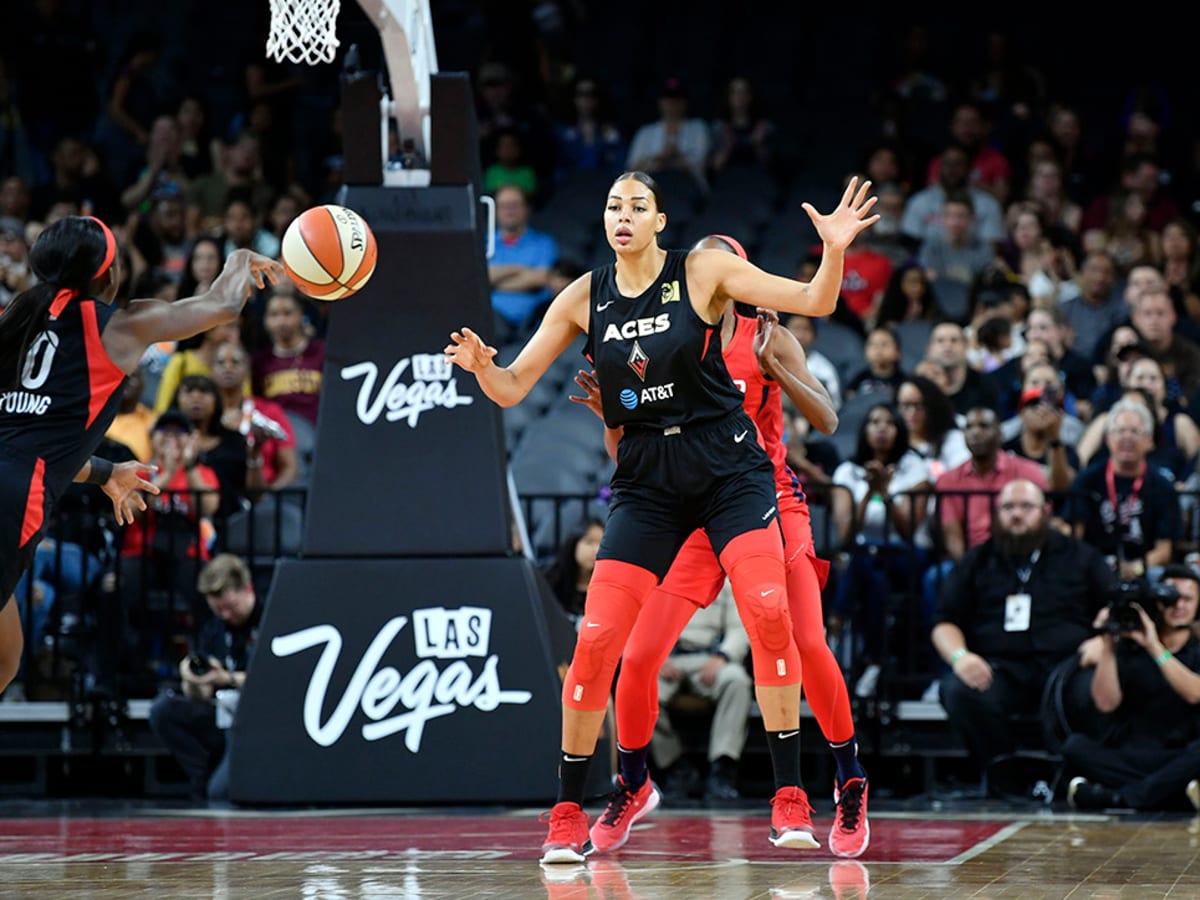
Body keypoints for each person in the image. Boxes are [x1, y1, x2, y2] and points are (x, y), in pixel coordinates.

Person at [445, 172, 878, 863]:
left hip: (744, 483)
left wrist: (831, 251)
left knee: (787, 627)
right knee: (614, 648)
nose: (621, 214)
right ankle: (604, 795)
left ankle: (821, 785)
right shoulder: (592, 297)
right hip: (658, 488)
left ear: (660, 222)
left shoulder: (735, 306)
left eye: (636, 205)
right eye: (612, 204)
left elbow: (817, 332)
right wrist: (483, 368)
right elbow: (516, 388)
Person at [572, 234, 871, 859]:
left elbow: (828, 420)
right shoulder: (665, 338)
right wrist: (613, 419)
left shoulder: (767, 331)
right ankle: (632, 782)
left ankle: (848, 781)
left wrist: (778, 364)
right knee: (639, 652)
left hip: (763, 499)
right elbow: (628, 452)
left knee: (804, 641)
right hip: (688, 510)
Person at [0, 215, 282, 695]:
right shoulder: (120, 326)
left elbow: (28, 443)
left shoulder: (14, 323)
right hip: (12, 505)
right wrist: (236, 259)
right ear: (108, 275)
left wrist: (106, 471)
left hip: (14, 483)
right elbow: (222, 303)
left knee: (6, 657)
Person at [931, 479, 1114, 777]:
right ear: (996, 514)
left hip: (1069, 666)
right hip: (1002, 668)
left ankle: (1079, 775)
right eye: (1008, 507)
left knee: (1097, 688)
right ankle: (1005, 774)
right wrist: (960, 657)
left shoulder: (1080, 555)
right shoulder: (977, 559)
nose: (1017, 514)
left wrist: (1103, 642)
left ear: (1046, 511)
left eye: (1026, 507)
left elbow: (1113, 606)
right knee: (957, 690)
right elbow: (944, 621)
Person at [1066, 564, 1200, 812]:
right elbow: (1106, 703)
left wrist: (1154, 646)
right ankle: (1175, 793)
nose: (1179, 605)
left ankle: (1118, 798)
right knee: (1075, 747)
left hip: (1179, 752)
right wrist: (1108, 642)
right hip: (1134, 753)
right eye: (1170, 597)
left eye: (1188, 599)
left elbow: (1194, 693)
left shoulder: (1195, 649)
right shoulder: (1130, 647)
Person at [148, 553, 262, 803]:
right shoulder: (215, 627)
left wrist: (227, 678)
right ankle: (202, 775)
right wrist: (194, 681)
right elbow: (205, 688)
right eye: (218, 608)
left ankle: (216, 780)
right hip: (222, 713)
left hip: (258, 716)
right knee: (164, 710)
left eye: (231, 607)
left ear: (247, 589)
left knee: (221, 793)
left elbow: (272, 678)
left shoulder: (269, 617)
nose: (225, 615)